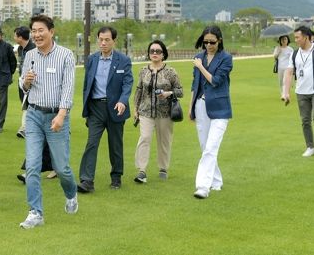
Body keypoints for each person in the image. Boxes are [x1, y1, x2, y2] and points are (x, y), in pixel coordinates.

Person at [18, 14, 78, 229]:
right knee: (32, 166)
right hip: (34, 115)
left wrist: (61, 115)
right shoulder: (30, 55)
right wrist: (26, 82)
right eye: (33, 31)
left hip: (56, 116)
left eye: (40, 30)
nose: (36, 35)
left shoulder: (65, 55)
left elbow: (68, 88)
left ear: (51, 32)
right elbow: (23, 86)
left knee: (61, 168)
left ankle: (71, 193)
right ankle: (35, 212)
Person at [78, 26, 133, 192]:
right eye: (100, 39)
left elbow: (127, 83)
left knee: (115, 145)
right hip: (96, 108)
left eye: (107, 40)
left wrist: (123, 101)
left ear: (114, 41)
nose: (103, 43)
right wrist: (87, 109)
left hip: (116, 108)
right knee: (91, 143)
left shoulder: (123, 60)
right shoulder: (92, 59)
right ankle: (87, 180)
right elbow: (87, 85)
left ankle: (116, 177)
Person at [190, 25, 233, 199]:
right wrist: (191, 108)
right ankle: (216, 181)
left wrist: (200, 67)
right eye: (206, 42)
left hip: (220, 109)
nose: (208, 45)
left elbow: (215, 81)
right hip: (200, 106)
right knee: (205, 147)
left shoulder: (226, 58)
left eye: (212, 42)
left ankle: (202, 187)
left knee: (211, 147)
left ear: (219, 41)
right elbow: (195, 85)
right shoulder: (199, 57)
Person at [132, 40, 184, 184]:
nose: (154, 53)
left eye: (158, 51)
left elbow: (180, 91)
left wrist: (168, 93)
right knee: (144, 138)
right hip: (145, 111)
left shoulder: (171, 72)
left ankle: (163, 168)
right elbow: (139, 90)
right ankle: (142, 170)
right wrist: (135, 109)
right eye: (152, 51)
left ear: (163, 54)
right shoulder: (143, 71)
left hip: (165, 113)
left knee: (164, 141)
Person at [282, 26, 314, 157]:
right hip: (301, 92)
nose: (295, 40)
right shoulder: (294, 54)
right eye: (294, 37)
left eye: (297, 37)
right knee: (305, 121)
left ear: (306, 37)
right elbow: (289, 72)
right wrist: (285, 92)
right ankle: (310, 147)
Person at [14, 26, 36, 138]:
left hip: (32, 82)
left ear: (20, 37)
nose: (14, 38)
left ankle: (24, 128)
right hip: (22, 81)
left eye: (15, 36)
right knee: (24, 104)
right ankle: (25, 127)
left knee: (29, 104)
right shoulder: (20, 49)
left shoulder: (33, 49)